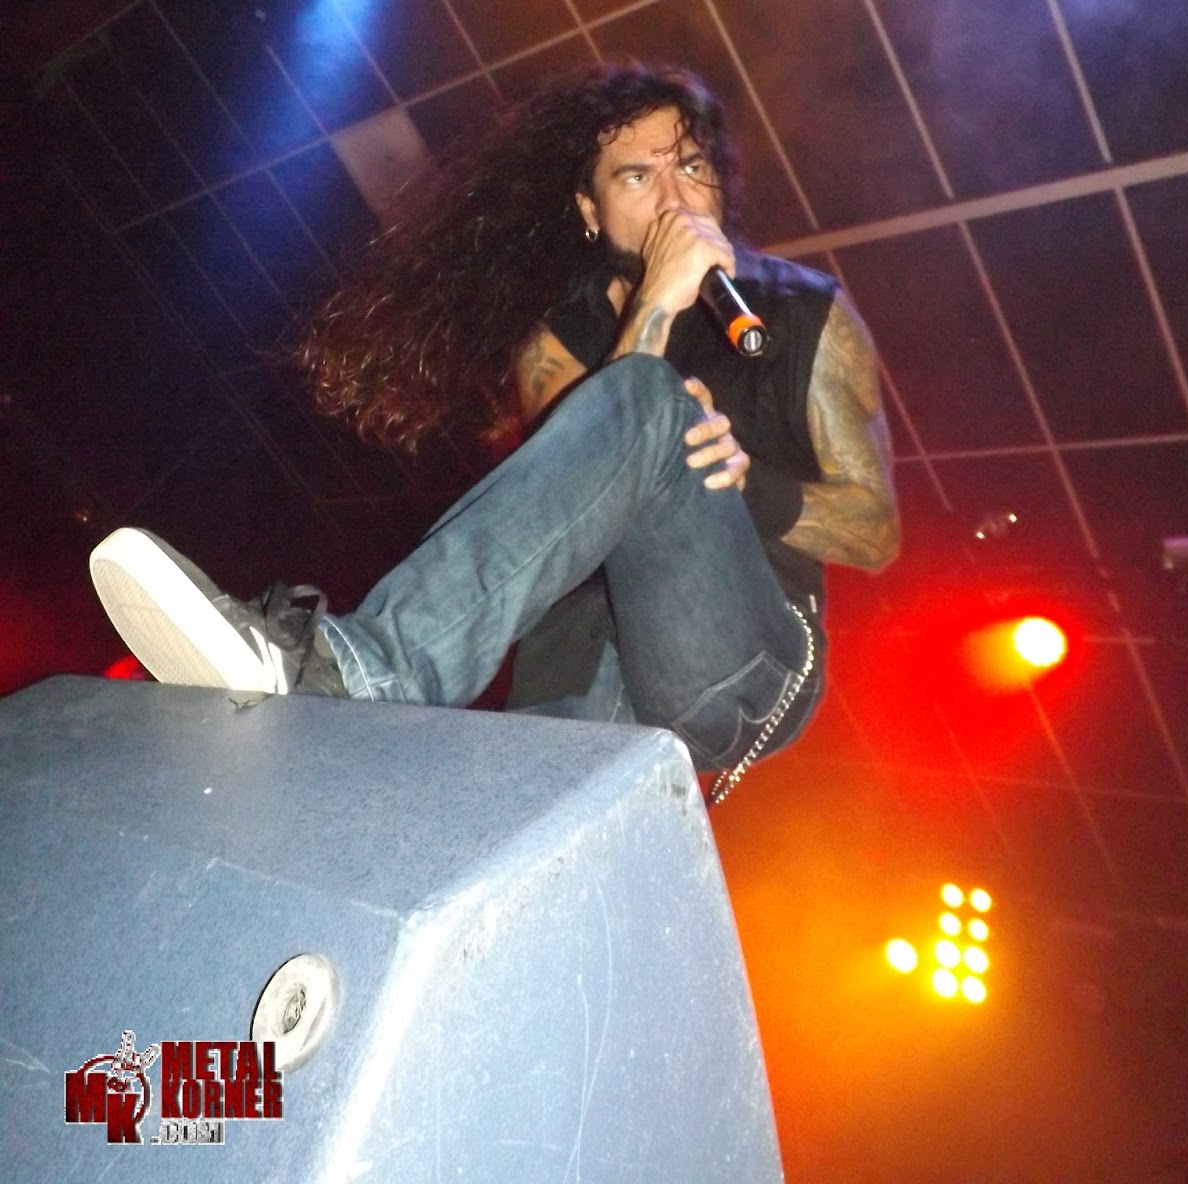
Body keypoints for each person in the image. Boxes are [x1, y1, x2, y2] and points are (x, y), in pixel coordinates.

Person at [88, 64, 898, 801]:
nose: (674, 198)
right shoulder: (557, 339)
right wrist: (658, 303)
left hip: (740, 655)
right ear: (590, 212)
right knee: (491, 842)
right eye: (638, 176)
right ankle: (321, 763)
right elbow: (593, 479)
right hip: (580, 661)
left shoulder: (807, 314)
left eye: (690, 167)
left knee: (650, 399)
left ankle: (362, 671)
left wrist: (751, 482)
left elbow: (876, 530)